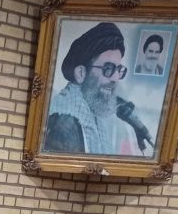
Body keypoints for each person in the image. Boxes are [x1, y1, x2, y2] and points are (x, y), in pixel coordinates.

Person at [43, 22, 150, 156]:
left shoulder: (92, 116)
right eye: (108, 68)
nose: (115, 78)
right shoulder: (65, 122)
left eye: (118, 69)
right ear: (81, 73)